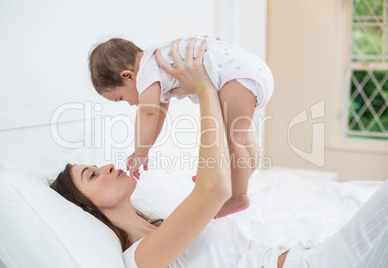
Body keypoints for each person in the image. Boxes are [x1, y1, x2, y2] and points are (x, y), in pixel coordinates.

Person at [51, 40, 388, 268]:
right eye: (92, 174)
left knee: (238, 135)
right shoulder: (141, 257)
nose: (107, 165)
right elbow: (215, 188)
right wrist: (204, 88)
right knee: (237, 134)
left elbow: (156, 113)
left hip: (308, 254)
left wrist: (145, 149)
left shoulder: (164, 225)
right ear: (86, 207)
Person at [88, 35, 274, 218]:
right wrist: (144, 149)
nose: (128, 104)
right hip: (249, 72)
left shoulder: (146, 72)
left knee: (232, 140)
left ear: (128, 76)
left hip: (237, 77)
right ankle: (237, 176)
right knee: (236, 137)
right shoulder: (156, 62)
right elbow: (159, 113)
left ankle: (238, 197)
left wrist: (140, 153)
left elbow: (149, 114)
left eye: (120, 98)